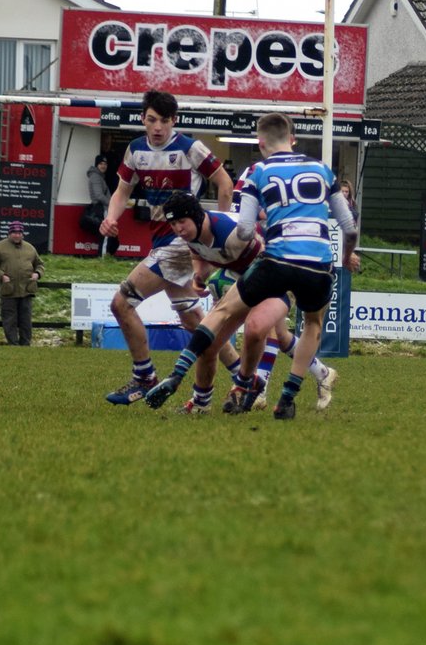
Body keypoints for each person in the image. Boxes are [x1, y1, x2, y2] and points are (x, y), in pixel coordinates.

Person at [145, 112, 358, 420]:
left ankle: (182, 374)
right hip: (319, 264)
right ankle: (286, 396)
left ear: (260, 143)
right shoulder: (323, 169)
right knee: (308, 324)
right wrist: (346, 256)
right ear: (291, 139)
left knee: (225, 314)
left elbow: (245, 230)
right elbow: (349, 227)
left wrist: (263, 225)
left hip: (277, 258)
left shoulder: (257, 171)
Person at [98, 89, 234, 403]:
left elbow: (225, 184)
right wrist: (110, 218)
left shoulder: (189, 148)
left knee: (121, 303)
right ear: (142, 119)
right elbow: (121, 192)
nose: (157, 127)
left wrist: (215, 234)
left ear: (174, 120)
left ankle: (144, 377)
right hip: (161, 242)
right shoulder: (136, 149)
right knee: (195, 322)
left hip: (179, 245)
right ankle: (245, 379)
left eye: (164, 120)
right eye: (151, 120)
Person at [153, 190, 338, 414]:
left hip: (276, 275)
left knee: (259, 327)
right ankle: (203, 402)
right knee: (219, 344)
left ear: (196, 216)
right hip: (246, 278)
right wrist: (199, 276)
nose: (178, 229)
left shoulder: (233, 234)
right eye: (173, 224)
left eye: (181, 221)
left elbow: (267, 266)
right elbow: (199, 255)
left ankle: (254, 388)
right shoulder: (192, 235)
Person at [0, 221, 44, 346]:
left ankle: (25, 344)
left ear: (22, 234)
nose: (17, 235)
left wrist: (37, 273)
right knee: (9, 320)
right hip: (9, 290)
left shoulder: (30, 248)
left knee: (25, 320)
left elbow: (40, 264)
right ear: (9, 233)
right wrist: (2, 276)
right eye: (14, 232)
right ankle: (13, 344)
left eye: (19, 232)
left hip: (27, 290)